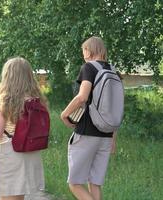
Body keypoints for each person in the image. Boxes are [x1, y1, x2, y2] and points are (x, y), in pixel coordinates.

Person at [60, 36, 117, 200]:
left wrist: (64, 114)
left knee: (75, 183)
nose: (83, 54)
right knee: (95, 183)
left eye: (83, 50)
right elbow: (114, 109)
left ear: (89, 50)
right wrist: (113, 137)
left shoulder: (89, 68)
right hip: (106, 135)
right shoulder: (113, 71)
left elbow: (82, 97)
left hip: (86, 133)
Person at [0, 57, 47, 200]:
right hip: (31, 151)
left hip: (11, 153)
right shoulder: (35, 98)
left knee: (9, 196)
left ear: (7, 76)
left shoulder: (5, 99)